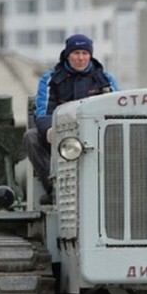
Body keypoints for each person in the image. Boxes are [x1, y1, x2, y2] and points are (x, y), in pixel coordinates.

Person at [24, 33, 119, 201]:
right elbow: (43, 112)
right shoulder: (50, 80)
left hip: (98, 137)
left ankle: (114, 184)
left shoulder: (106, 80)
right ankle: (54, 187)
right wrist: (52, 131)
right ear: (68, 55)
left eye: (85, 53)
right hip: (63, 138)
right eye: (76, 53)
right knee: (31, 137)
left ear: (90, 55)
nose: (80, 58)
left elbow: (119, 109)